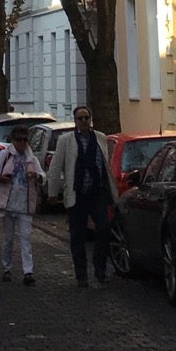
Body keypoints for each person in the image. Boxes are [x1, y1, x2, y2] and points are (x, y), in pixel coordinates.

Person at [44, 104, 114, 286]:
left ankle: (100, 269)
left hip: (97, 192)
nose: (84, 121)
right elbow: (56, 167)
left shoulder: (100, 138)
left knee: (104, 229)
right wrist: (52, 192)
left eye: (86, 118)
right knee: (77, 236)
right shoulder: (66, 140)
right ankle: (81, 274)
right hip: (77, 193)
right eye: (80, 118)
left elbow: (105, 166)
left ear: (91, 120)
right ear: (75, 121)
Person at [0, 124, 43, 284]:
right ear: (13, 140)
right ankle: (7, 268)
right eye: (19, 140)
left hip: (25, 204)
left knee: (26, 238)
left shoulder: (31, 158)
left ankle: (28, 272)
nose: (22, 143)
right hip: (8, 203)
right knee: (9, 239)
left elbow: (42, 175)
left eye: (25, 140)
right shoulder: (5, 155)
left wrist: (36, 176)